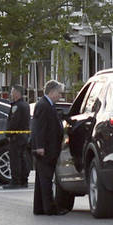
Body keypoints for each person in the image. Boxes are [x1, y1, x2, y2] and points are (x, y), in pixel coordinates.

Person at [30, 80, 65, 215]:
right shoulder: (43, 105)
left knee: (41, 180)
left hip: (48, 148)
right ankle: (49, 208)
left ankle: (39, 207)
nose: (60, 96)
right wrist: (40, 146)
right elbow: (39, 128)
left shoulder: (47, 105)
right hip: (45, 149)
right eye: (59, 93)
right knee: (46, 179)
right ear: (51, 91)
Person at [4, 85, 30, 189]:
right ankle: (24, 180)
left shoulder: (17, 106)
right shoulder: (25, 105)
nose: (11, 94)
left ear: (17, 93)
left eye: (12, 92)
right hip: (23, 136)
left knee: (15, 159)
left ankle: (16, 181)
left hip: (16, 136)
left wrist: (8, 133)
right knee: (22, 158)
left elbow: (14, 122)